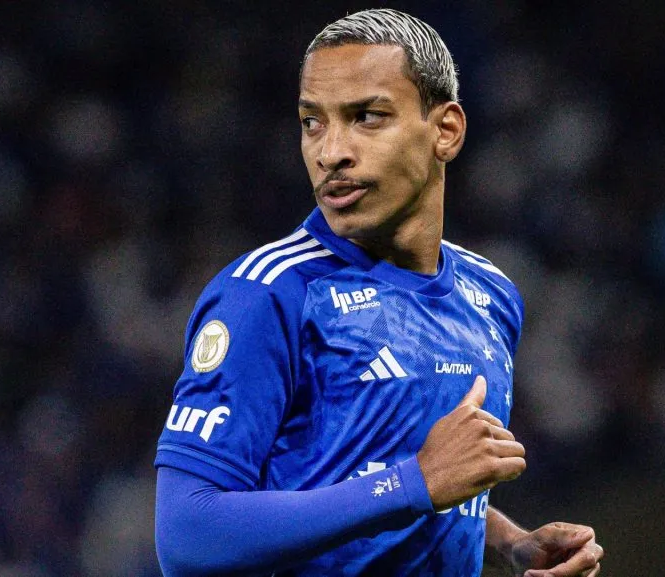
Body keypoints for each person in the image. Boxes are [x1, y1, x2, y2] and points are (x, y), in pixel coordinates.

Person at [153, 8, 603, 576]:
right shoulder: (268, 294)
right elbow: (188, 535)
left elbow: (383, 471)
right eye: (312, 122)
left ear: (446, 131)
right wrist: (414, 483)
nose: (330, 152)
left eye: (366, 117)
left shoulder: (490, 294)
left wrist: (509, 542)